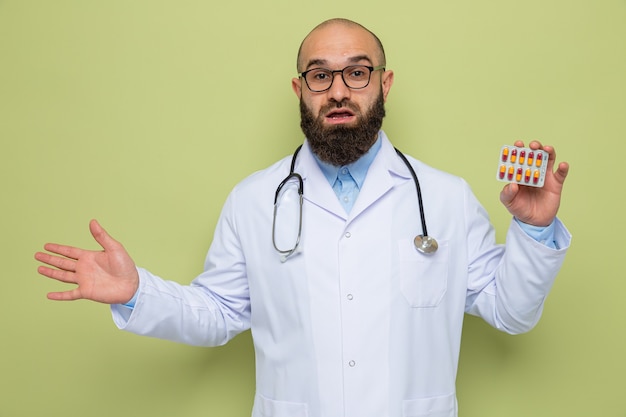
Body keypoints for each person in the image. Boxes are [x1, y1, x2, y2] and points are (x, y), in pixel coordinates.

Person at [35, 18, 571, 417]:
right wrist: (137, 293)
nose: (338, 91)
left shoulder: (446, 199)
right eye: (320, 76)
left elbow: (512, 312)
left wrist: (533, 228)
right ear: (300, 90)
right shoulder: (253, 200)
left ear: (384, 85)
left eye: (357, 73)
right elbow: (219, 312)